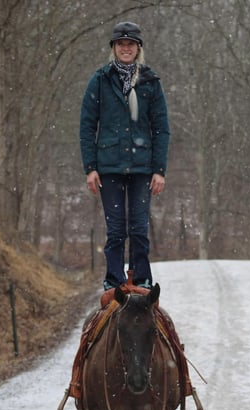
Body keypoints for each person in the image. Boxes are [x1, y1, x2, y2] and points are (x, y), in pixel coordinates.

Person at [79, 21, 170, 291]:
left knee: (139, 229)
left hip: (143, 168)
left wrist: (159, 169)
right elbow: (87, 126)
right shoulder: (100, 80)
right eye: (121, 44)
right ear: (114, 48)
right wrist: (90, 168)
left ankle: (141, 277)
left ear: (138, 48)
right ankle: (114, 280)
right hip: (109, 167)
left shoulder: (151, 82)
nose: (126, 48)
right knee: (116, 231)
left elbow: (161, 128)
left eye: (130, 44)